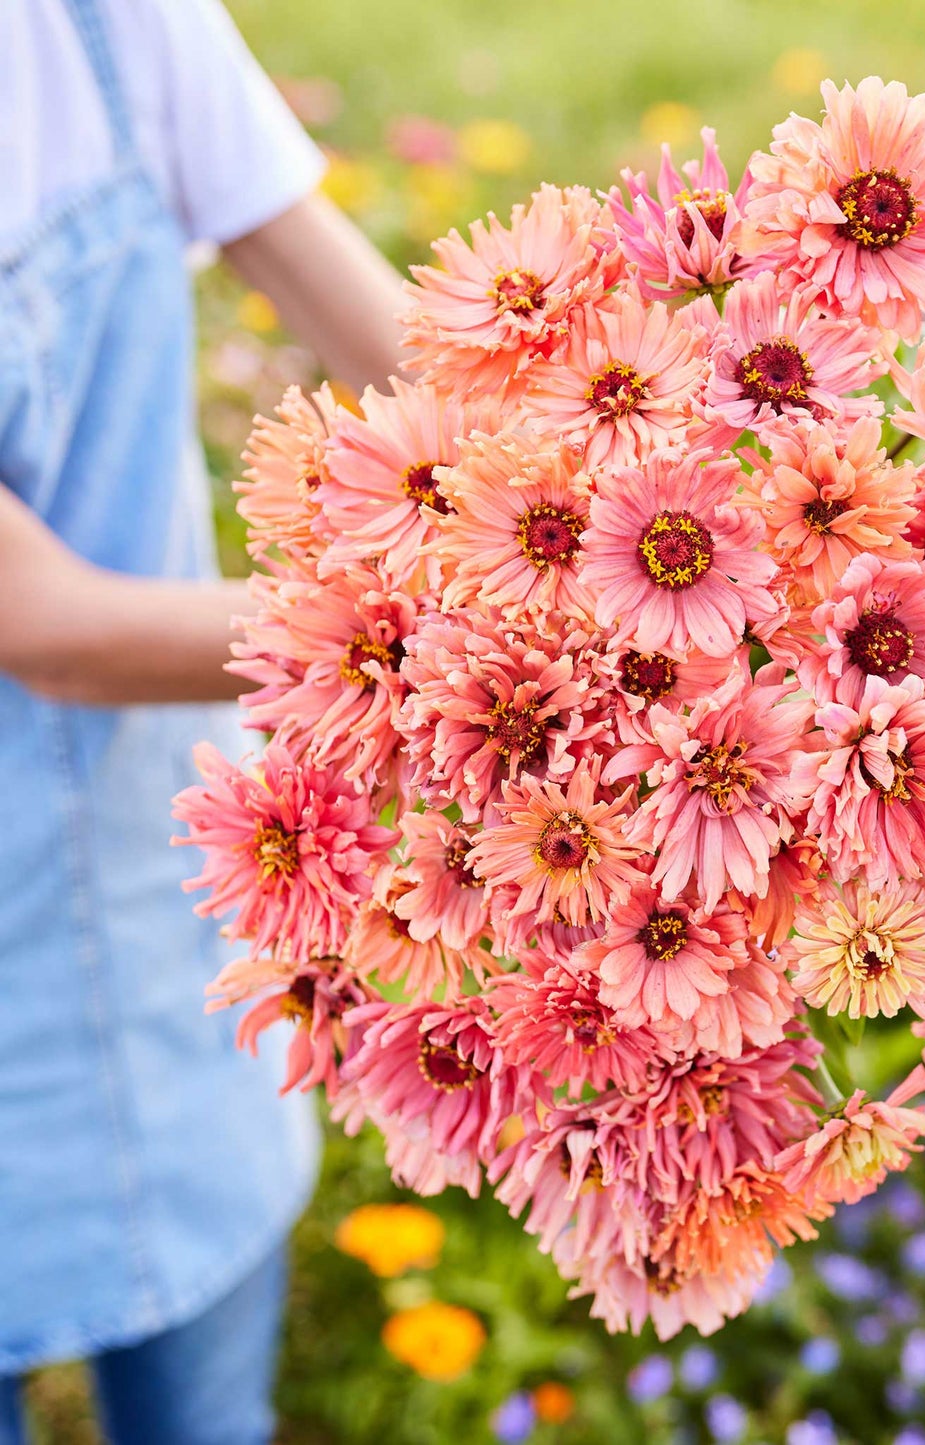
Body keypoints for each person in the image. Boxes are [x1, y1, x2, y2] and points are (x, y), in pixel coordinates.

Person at [0, 1, 408, 1440]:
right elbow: (48, 626)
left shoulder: (105, 22)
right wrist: (421, 648)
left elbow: (406, 356)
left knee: (208, 1376)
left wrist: (611, 511)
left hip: (168, 874)